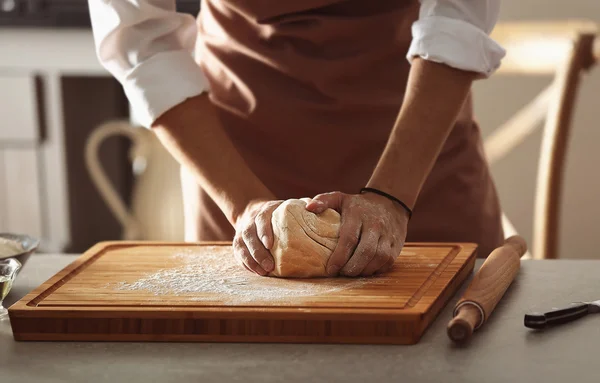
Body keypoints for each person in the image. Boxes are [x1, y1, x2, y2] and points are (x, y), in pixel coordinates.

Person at [88, 0, 506, 277]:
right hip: (238, 155)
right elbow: (142, 41)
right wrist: (244, 203)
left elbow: (457, 16)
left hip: (416, 154)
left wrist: (393, 196)